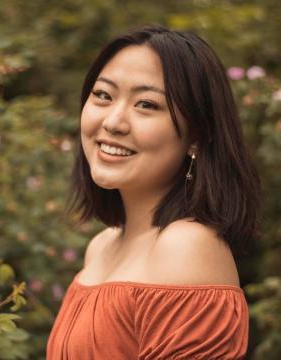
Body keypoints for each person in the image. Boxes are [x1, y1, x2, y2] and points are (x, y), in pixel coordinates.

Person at [46, 24, 261, 359]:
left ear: (196, 136)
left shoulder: (186, 246)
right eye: (103, 95)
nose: (114, 122)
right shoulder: (102, 246)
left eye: (146, 104)